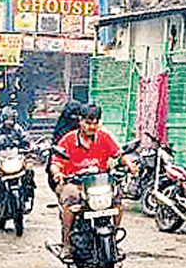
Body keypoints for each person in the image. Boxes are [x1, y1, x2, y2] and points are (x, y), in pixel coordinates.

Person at [48, 104, 138, 260]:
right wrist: (58, 174)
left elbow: (119, 154)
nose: (92, 127)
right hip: (75, 183)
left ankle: (113, 239)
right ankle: (67, 244)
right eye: (88, 123)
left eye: (95, 123)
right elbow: (56, 163)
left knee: (117, 199)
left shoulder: (104, 137)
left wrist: (129, 165)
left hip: (100, 182)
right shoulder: (68, 140)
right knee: (70, 200)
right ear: (80, 122)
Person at [0, 107, 35, 209]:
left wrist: (31, 147)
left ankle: (27, 195)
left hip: (15, 158)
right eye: (6, 119)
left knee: (29, 171)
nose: (8, 122)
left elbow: (26, 140)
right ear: (2, 119)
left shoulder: (18, 130)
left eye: (11, 119)